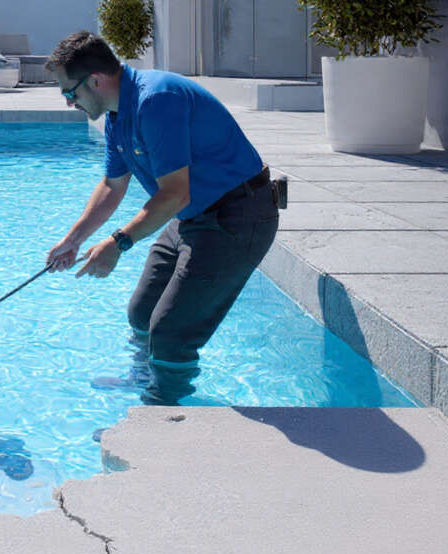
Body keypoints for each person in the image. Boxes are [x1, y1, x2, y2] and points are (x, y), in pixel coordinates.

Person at [44, 31, 282, 405]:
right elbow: (112, 186)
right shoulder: (116, 115)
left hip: (238, 215)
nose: (69, 102)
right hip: (195, 216)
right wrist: (72, 239)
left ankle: (160, 417)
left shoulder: (156, 101)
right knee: (141, 313)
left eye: (69, 92)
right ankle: (144, 381)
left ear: (95, 80)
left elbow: (175, 193)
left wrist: (118, 242)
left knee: (172, 335)